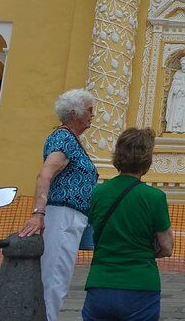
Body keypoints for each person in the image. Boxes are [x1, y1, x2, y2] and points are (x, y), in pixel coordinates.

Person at [18, 89, 97, 321]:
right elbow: (45, 174)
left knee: (58, 276)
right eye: (90, 110)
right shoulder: (63, 138)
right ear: (74, 113)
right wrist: (38, 213)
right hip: (62, 216)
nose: (93, 115)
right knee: (54, 278)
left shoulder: (70, 140)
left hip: (71, 217)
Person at [82, 127, 174, 321]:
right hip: (140, 284)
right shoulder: (154, 197)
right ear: (146, 159)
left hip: (100, 281)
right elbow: (166, 246)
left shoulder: (98, 193)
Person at [165, 56, 185, 133]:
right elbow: (173, 86)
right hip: (177, 98)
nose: (184, 67)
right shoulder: (177, 74)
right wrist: (178, 89)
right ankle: (174, 129)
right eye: (182, 65)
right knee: (175, 113)